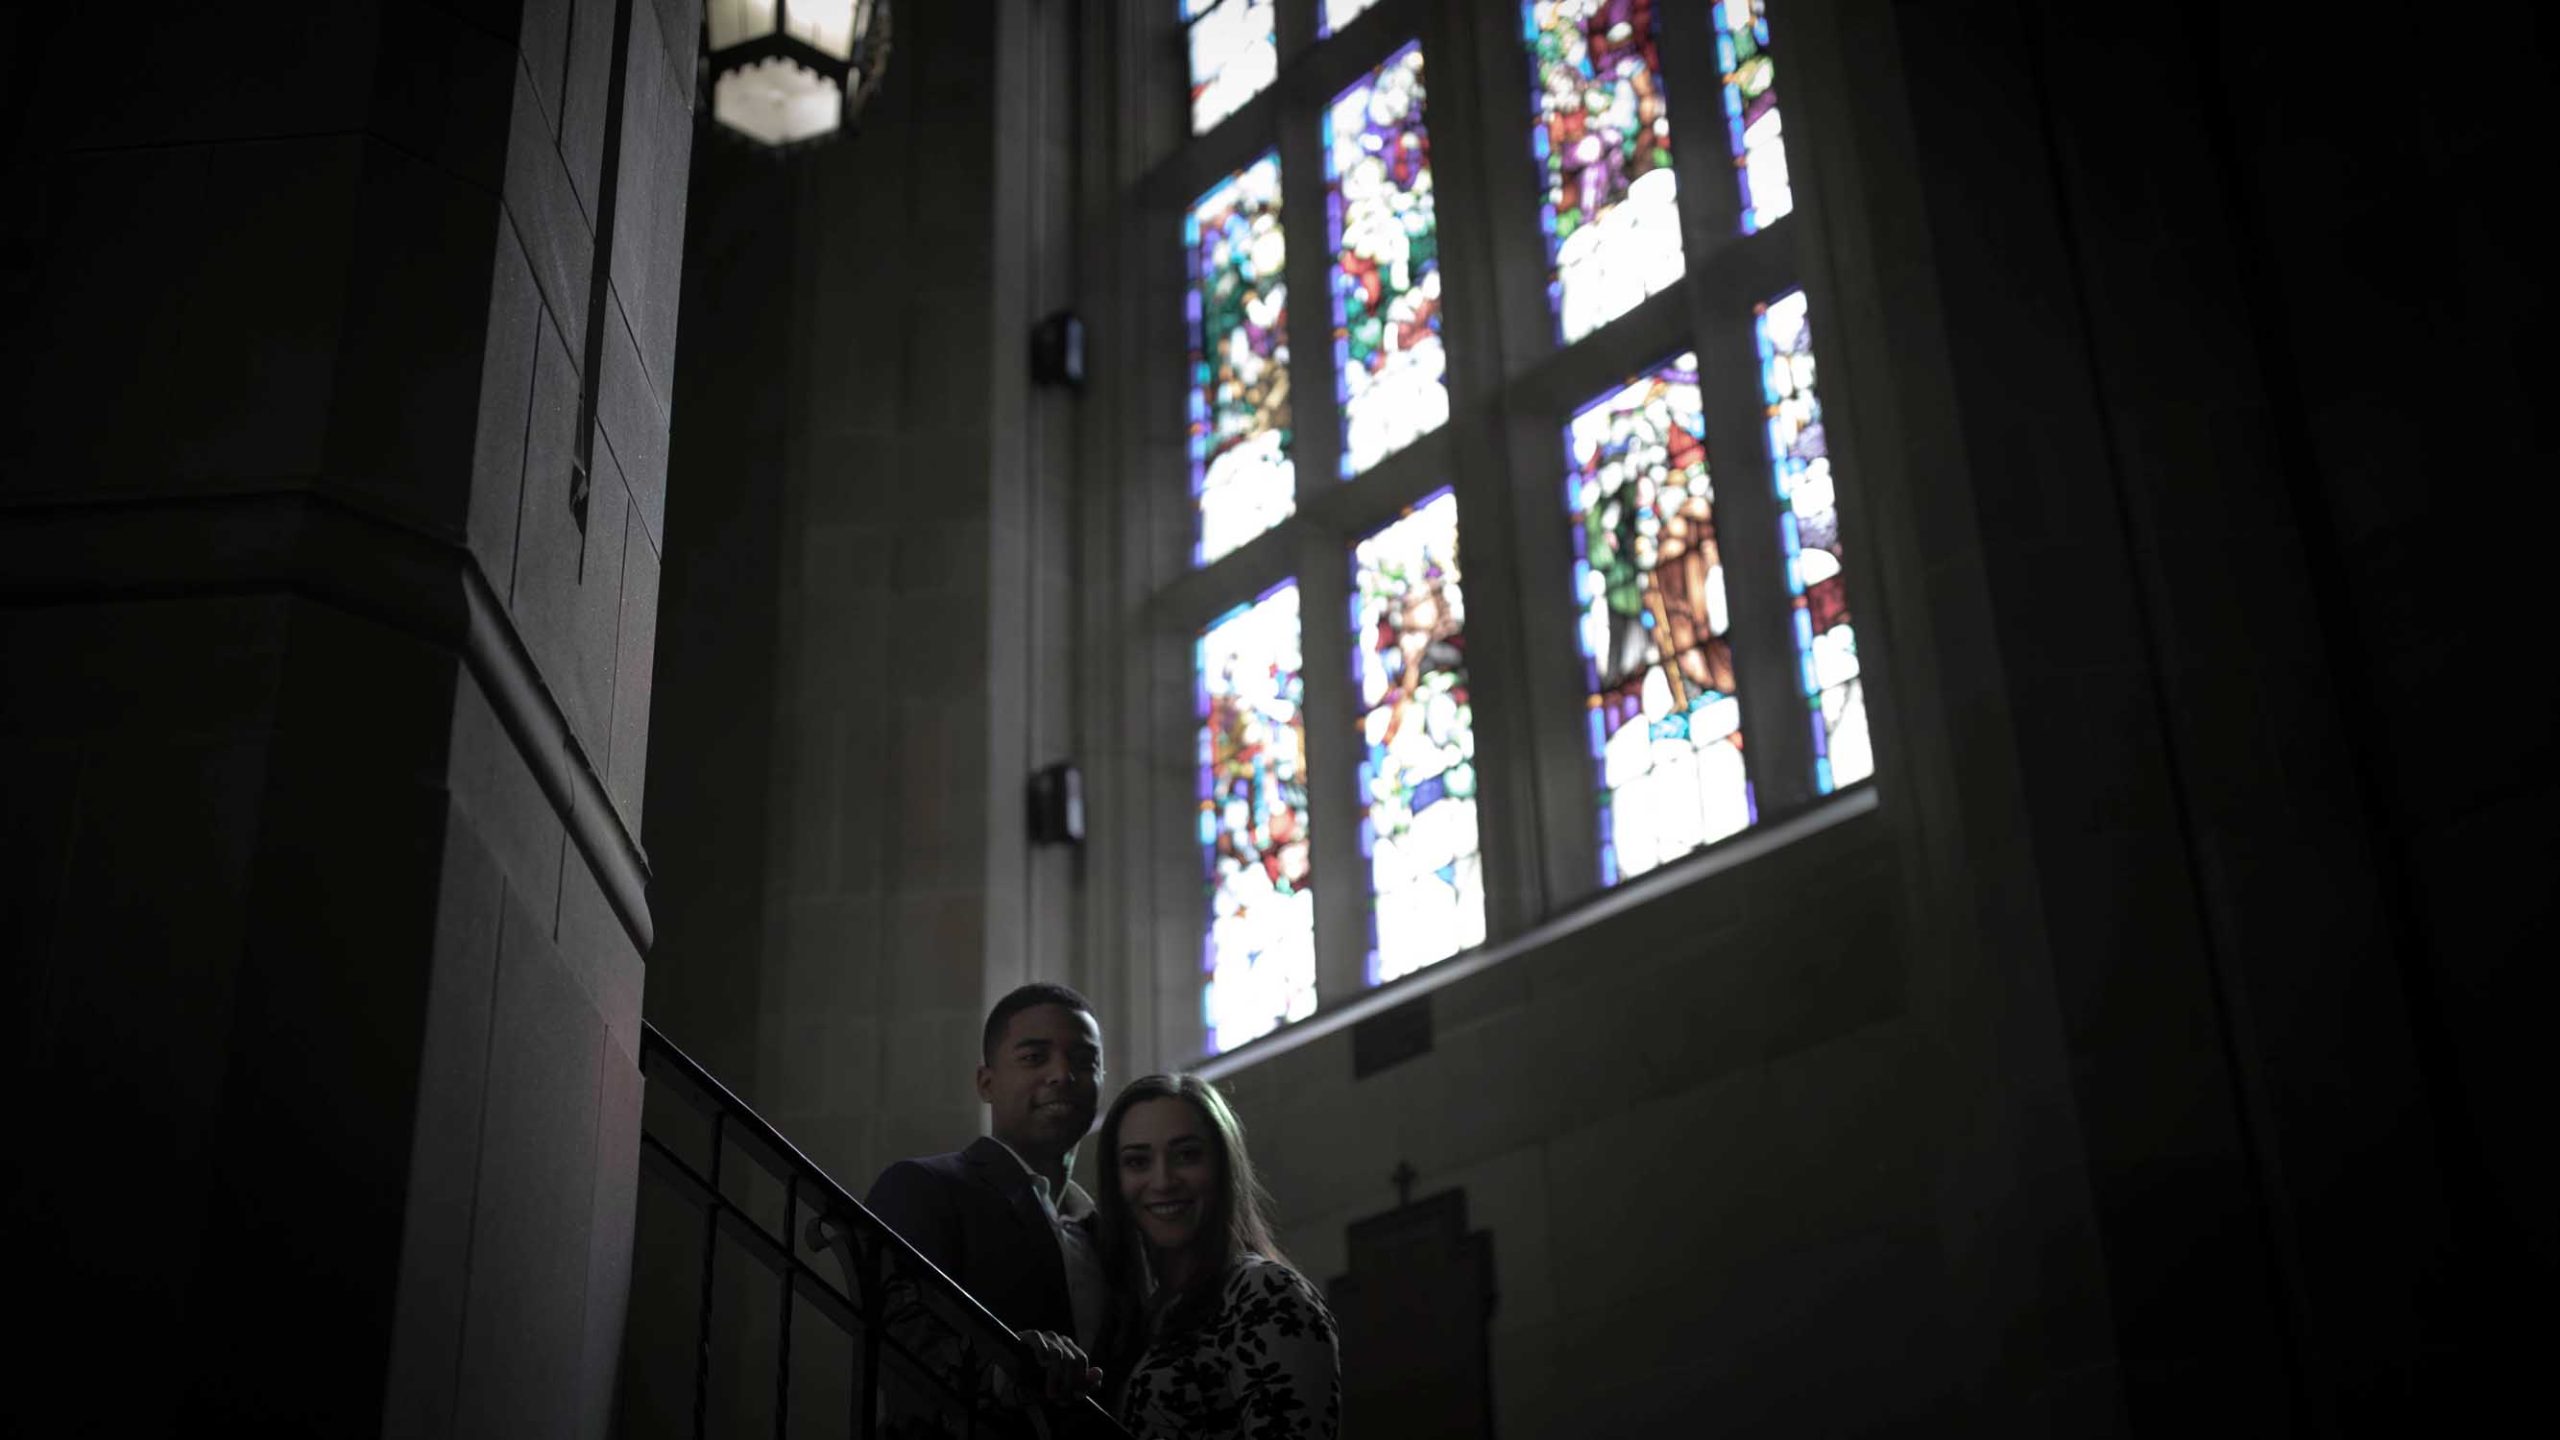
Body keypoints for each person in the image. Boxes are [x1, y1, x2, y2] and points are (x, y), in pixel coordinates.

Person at [863, 983, 1111, 1404]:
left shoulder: (1106, 1230)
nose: (1061, 1074)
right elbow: (898, 1343)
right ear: (986, 1083)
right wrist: (1005, 1370)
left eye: (1084, 1060)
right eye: (1034, 1057)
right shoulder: (923, 1188)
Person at [1098, 1074, 1340, 1440]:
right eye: (1137, 1162)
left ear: (1223, 1167)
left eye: (1187, 1156)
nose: (1163, 1180)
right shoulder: (1143, 1318)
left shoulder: (1266, 1294)